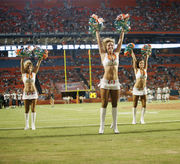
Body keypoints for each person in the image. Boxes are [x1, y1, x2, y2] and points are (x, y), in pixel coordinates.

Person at [96, 28, 125, 134]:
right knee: (104, 103)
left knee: (115, 104)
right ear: (106, 46)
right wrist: (97, 31)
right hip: (105, 82)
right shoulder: (103, 54)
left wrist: (123, 31)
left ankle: (115, 126)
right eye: (108, 45)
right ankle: (101, 126)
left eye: (112, 45)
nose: (111, 46)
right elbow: (99, 42)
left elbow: (120, 41)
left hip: (116, 83)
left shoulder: (116, 53)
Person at [21, 57, 42, 130]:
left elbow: (37, 66)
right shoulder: (23, 74)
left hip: (34, 93)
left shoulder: (34, 73)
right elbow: (21, 66)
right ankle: (27, 125)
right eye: (28, 67)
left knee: (33, 109)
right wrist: (22, 59)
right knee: (26, 110)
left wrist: (40, 60)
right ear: (26, 67)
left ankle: (33, 124)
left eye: (30, 67)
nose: (29, 68)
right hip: (26, 94)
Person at [131, 49, 150, 124]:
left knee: (144, 104)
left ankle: (142, 119)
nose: (142, 64)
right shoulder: (136, 70)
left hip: (143, 89)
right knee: (135, 104)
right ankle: (134, 119)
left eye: (142, 63)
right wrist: (132, 52)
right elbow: (134, 60)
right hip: (136, 89)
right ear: (138, 65)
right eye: (140, 63)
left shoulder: (145, 70)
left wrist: (147, 56)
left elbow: (146, 60)